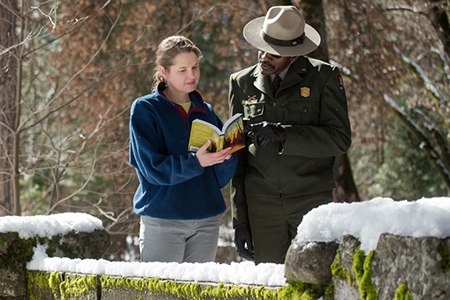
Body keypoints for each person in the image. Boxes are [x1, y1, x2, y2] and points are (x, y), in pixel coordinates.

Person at [228, 6, 352, 264]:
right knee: (271, 286)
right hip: (262, 209)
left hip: (311, 204)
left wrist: (284, 135)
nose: (264, 57)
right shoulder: (240, 83)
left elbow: (339, 138)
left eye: (274, 53)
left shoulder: (324, 77)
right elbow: (237, 157)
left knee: (315, 283)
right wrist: (240, 220)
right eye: (262, 47)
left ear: (294, 55)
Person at [129, 35, 238, 263]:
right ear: (164, 72)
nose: (192, 75)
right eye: (182, 70)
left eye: (195, 67)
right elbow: (152, 169)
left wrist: (226, 157)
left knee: (199, 293)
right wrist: (195, 162)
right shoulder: (145, 109)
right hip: (163, 219)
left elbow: (218, 180)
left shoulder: (206, 111)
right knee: (162, 295)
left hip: (206, 220)